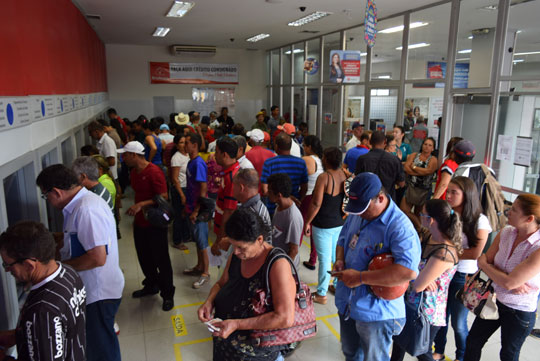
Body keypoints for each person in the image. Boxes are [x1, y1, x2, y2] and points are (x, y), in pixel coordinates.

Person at [36, 164, 124, 361]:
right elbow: (79, 240)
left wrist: (57, 268)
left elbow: (97, 257)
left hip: (99, 292)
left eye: (46, 196)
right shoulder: (80, 205)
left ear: (56, 192)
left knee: (101, 348)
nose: (47, 201)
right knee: (98, 343)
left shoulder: (86, 209)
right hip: (94, 289)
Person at [332, 172, 421, 361]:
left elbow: (408, 271)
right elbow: (342, 238)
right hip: (347, 303)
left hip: (376, 313)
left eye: (363, 208)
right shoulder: (358, 213)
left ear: (380, 198)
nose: (359, 213)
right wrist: (340, 259)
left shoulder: (400, 227)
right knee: (350, 353)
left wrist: (361, 278)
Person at [197, 209, 296, 361]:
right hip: (225, 345)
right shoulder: (238, 256)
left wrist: (237, 324)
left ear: (260, 239)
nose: (235, 252)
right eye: (233, 245)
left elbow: (284, 318)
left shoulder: (277, 264)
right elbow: (221, 284)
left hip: (255, 353)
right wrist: (209, 302)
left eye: (241, 247)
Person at [464, 194, 540, 361]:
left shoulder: (537, 247)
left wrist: (502, 276)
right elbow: (483, 261)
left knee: (508, 354)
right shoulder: (506, 232)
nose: (508, 211)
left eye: (513, 210)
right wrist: (503, 277)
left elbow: (508, 282)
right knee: (472, 342)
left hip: (519, 310)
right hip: (493, 299)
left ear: (529, 218)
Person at [0, 221, 86, 361]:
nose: (7, 270)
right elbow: (58, 329)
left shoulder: (42, 311)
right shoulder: (69, 273)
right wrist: (18, 337)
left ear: (29, 265)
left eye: (8, 264)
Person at [391, 199, 462, 361]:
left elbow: (417, 286)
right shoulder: (429, 237)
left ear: (430, 220)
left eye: (422, 214)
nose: (420, 216)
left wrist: (415, 276)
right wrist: (417, 275)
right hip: (411, 304)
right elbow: (411, 265)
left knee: (423, 353)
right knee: (399, 343)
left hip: (428, 313)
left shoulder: (444, 253)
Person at [432, 176, 492, 361]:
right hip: (442, 271)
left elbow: (475, 253)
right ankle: (439, 350)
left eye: (453, 192)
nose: (448, 195)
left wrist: (448, 253)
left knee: (458, 323)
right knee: (440, 317)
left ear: (466, 196)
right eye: (447, 191)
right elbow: (436, 241)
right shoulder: (446, 215)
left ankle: (462, 355)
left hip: (463, 275)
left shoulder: (480, 221)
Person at [119, 141, 175, 311]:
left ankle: (167, 294)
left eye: (125, 155)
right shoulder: (134, 172)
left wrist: (142, 204)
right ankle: (151, 285)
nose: (123, 158)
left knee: (161, 259)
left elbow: (163, 196)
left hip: (155, 223)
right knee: (144, 257)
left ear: (134, 155)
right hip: (140, 222)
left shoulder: (154, 172)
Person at [303, 147, 346, 304]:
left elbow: (316, 203)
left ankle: (321, 293)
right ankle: (336, 285)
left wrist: (307, 221)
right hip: (339, 223)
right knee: (336, 258)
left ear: (326, 159)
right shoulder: (343, 174)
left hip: (323, 225)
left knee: (325, 259)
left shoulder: (324, 177)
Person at [182, 133, 211, 289]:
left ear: (194, 144)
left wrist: (197, 210)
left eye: (187, 143)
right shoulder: (191, 162)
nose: (184, 145)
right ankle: (199, 266)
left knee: (203, 243)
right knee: (197, 242)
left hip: (199, 210)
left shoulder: (198, 164)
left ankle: (205, 272)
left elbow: (203, 188)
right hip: (192, 207)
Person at [261, 133, 308, 216]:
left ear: (276, 145)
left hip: (273, 209)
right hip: (294, 207)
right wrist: (296, 199)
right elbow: (304, 188)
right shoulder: (301, 163)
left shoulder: (269, 163)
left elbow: (265, 191)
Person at [209, 137, 241, 261]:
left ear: (224, 155)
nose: (214, 155)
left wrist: (219, 241)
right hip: (223, 232)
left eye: (216, 152)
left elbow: (229, 211)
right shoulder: (229, 173)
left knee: (224, 266)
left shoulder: (232, 178)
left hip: (226, 236)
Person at [355, 130, 405, 202]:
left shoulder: (362, 159)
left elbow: (358, 180)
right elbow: (401, 183)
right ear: (385, 142)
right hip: (387, 200)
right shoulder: (395, 160)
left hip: (368, 200)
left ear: (370, 142)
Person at [267, 173, 303, 268]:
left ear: (279, 195)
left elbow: (293, 250)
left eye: (269, 192)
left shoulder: (292, 218)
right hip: (275, 258)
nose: (267, 193)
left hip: (284, 265)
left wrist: (283, 269)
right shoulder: (279, 206)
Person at [401, 137, 438, 229]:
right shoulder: (414, 155)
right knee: (404, 210)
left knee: (419, 213)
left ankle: (418, 232)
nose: (427, 147)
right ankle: (420, 229)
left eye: (430, 145)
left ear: (433, 148)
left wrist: (414, 168)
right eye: (425, 144)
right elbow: (406, 168)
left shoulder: (433, 159)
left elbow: (428, 171)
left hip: (424, 191)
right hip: (411, 188)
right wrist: (419, 171)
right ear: (422, 145)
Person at [300, 135, 324, 271]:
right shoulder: (320, 160)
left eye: (304, 146)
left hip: (308, 197)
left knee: (299, 228)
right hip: (318, 197)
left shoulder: (307, 159)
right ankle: (312, 260)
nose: (303, 148)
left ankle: (292, 257)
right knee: (313, 230)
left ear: (309, 147)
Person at [170, 134, 190, 251]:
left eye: (185, 142)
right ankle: (177, 240)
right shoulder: (176, 158)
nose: (184, 145)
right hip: (180, 189)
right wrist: (182, 194)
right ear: (177, 145)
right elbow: (175, 178)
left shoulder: (188, 155)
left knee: (185, 214)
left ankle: (185, 236)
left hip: (188, 188)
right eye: (182, 142)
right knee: (178, 215)